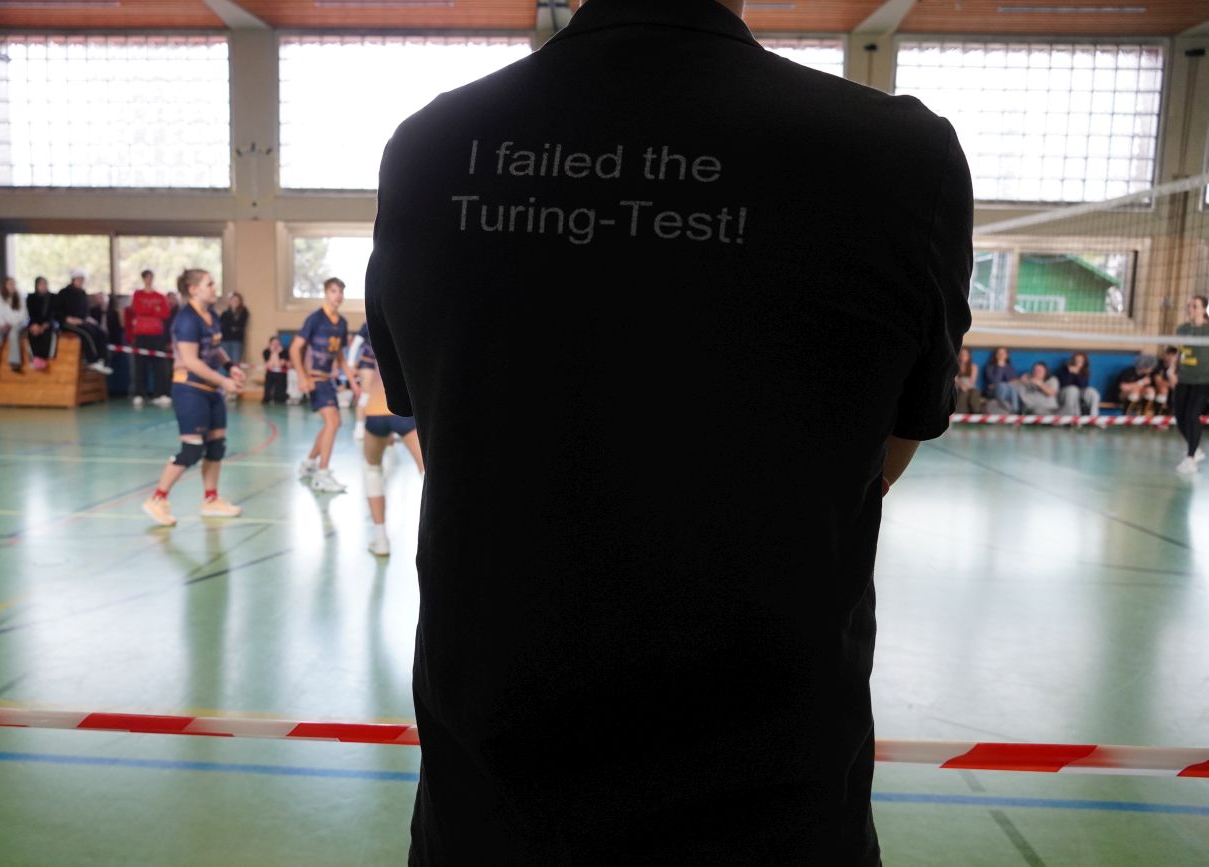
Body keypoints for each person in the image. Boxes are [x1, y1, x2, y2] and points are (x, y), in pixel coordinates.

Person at [364, 0, 973, 862]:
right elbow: (880, 457)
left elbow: (439, 430)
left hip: (493, 803)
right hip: (774, 801)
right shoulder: (898, 155)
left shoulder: (429, 147)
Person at [141, 269, 244, 526]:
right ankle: (157, 498)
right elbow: (190, 361)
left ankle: (211, 500)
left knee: (216, 446)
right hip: (190, 390)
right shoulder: (186, 320)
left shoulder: (212, 315)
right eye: (209, 284)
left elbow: (215, 348)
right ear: (193, 289)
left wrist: (230, 366)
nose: (214, 288)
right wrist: (224, 381)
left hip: (211, 390)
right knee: (192, 449)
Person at [290, 277, 360, 493]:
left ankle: (309, 463)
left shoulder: (342, 323)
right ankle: (322, 474)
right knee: (333, 422)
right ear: (326, 293)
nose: (337, 295)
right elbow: (295, 348)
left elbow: (339, 357)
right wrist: (302, 377)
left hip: (328, 379)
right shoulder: (315, 319)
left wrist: (352, 382)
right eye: (333, 291)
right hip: (314, 379)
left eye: (340, 291)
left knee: (333, 424)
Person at [359, 360, 423, 556]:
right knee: (428, 473)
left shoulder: (368, 346)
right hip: (406, 413)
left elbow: (365, 384)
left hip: (376, 413)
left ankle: (381, 540)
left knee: (371, 469)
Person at [1172, 295, 1209, 474]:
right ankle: (1195, 449)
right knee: (1180, 417)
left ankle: (1190, 457)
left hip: (1203, 380)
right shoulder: (1182, 329)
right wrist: (1171, 370)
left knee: (1192, 415)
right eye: (1189, 306)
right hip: (1184, 378)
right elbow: (1180, 353)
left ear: (1203, 309)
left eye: (1195, 306)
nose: (1190, 309)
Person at [56, 270, 112, 375]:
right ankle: (92, 360)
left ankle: (103, 360)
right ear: (73, 280)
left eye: (82, 279)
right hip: (67, 323)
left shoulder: (82, 293)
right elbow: (57, 311)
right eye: (79, 279)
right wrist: (67, 319)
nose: (81, 281)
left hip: (82, 321)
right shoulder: (63, 293)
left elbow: (85, 311)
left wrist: (87, 317)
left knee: (100, 331)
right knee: (87, 333)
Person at [130, 270, 172, 408]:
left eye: (151, 277)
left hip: (156, 333)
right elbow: (138, 310)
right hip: (141, 333)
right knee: (139, 365)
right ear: (143, 279)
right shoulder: (138, 294)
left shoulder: (160, 296)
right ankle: (139, 394)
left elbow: (165, 313)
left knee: (159, 365)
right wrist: (154, 310)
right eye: (146, 277)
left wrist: (151, 311)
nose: (149, 280)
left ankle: (160, 394)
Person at [0, 277, 26, 376]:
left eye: (14, 284)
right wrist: (3, 323)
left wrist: (12, 323)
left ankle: (15, 362)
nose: (12, 286)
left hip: (18, 323)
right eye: (10, 284)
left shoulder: (20, 297)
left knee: (13, 334)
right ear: (5, 285)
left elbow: (23, 314)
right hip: (3, 323)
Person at [346, 322, 378, 440]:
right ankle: (359, 427)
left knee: (386, 396)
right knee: (365, 395)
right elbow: (356, 343)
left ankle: (390, 430)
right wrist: (350, 364)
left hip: (383, 365)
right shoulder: (367, 324)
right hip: (368, 363)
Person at [26, 276, 57, 371]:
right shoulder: (31, 297)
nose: (43, 286)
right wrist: (35, 325)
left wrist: (44, 325)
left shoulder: (53, 297)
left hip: (49, 322)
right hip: (35, 322)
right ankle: (36, 359)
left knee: (46, 334)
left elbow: (54, 313)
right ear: (36, 286)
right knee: (33, 333)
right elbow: (31, 313)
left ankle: (44, 358)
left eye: (45, 284)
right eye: (41, 284)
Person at [1057, 352, 1100, 417]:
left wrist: (1077, 374)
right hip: (1065, 394)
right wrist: (1070, 372)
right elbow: (1065, 383)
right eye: (1076, 360)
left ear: (1084, 363)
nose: (1077, 363)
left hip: (1080, 395)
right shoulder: (1064, 370)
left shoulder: (1084, 372)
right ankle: (1075, 417)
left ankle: (1093, 417)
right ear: (1072, 361)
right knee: (1073, 389)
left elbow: (1083, 385)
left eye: (1080, 361)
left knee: (1093, 392)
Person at [983, 346, 1020, 412]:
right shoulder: (990, 367)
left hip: (1008, 390)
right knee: (1002, 385)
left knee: (1012, 388)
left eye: (1003, 353)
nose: (1001, 355)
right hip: (993, 391)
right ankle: (1004, 408)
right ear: (996, 355)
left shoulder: (1010, 367)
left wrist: (1009, 383)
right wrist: (1000, 367)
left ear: (1007, 356)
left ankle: (1015, 410)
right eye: (999, 353)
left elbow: (1013, 381)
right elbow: (994, 382)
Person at [219, 292, 249, 368]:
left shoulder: (243, 312)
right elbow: (222, 326)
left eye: (236, 300)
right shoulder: (225, 313)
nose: (234, 302)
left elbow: (240, 325)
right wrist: (232, 327)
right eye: (233, 300)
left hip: (236, 340)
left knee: (235, 361)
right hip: (225, 340)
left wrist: (232, 327)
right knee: (224, 361)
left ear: (240, 302)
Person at [261, 336, 290, 405]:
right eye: (274, 344)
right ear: (270, 344)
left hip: (281, 373)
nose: (276, 345)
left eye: (277, 344)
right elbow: (270, 365)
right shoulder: (266, 351)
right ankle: (268, 398)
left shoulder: (284, 351)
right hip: (270, 373)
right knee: (267, 393)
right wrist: (273, 353)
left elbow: (279, 364)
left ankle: (280, 398)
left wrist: (276, 353)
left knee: (280, 396)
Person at [953, 346, 983, 413]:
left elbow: (973, 380)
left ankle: (976, 413)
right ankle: (960, 412)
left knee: (975, 392)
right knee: (964, 392)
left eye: (965, 354)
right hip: (958, 386)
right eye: (961, 354)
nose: (963, 356)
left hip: (970, 386)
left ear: (969, 356)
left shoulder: (973, 366)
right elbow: (955, 379)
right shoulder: (955, 366)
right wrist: (961, 385)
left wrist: (966, 386)